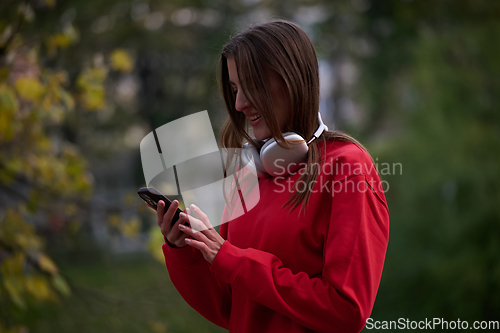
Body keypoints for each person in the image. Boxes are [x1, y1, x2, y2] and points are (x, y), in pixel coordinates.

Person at [153, 20, 389, 333]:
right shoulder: (248, 176)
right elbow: (229, 308)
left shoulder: (347, 167)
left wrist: (232, 259)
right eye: (235, 89)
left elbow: (346, 311)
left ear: (290, 79)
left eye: (251, 85)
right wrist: (185, 250)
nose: (239, 104)